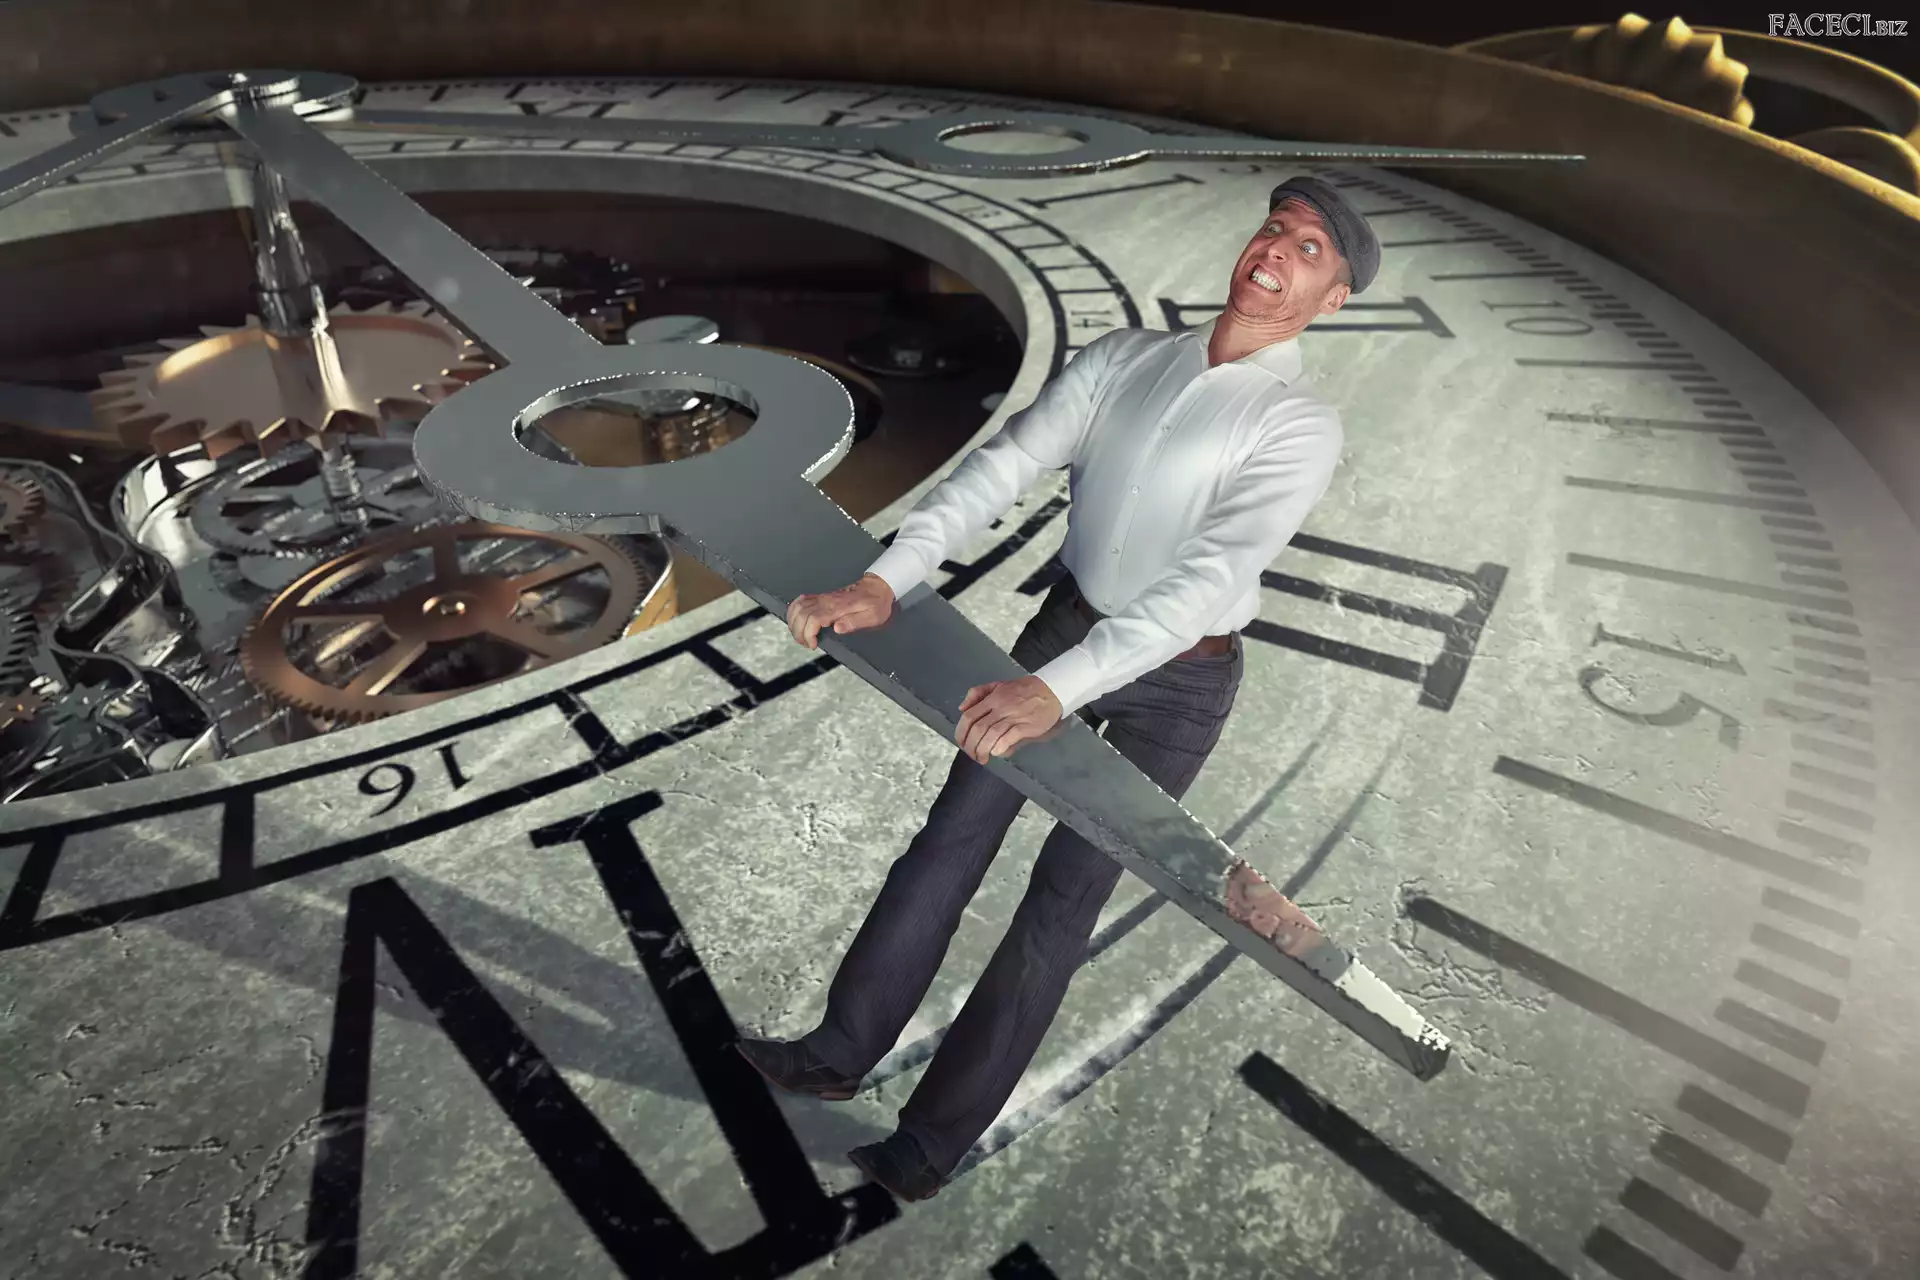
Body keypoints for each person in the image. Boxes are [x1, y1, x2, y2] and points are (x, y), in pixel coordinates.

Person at [734, 176, 1380, 1202]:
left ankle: (930, 1144)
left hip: (1178, 682)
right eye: (1275, 229)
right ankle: (838, 1050)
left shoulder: (1299, 424)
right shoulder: (1125, 358)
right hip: (1065, 627)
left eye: (1310, 252)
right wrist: (886, 578)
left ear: (1334, 299)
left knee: (1059, 907)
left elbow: (1207, 579)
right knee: (950, 839)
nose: (1276, 253)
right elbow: (1002, 467)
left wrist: (1056, 690)